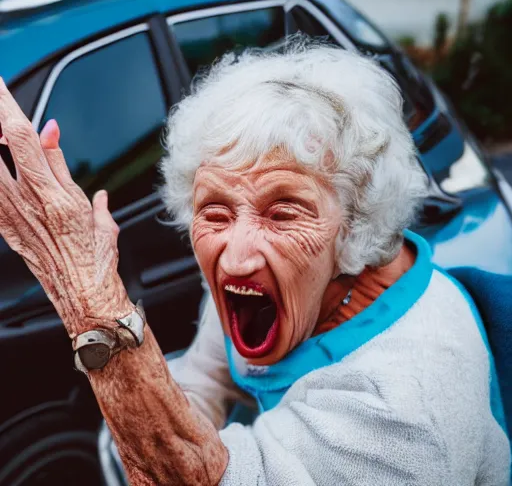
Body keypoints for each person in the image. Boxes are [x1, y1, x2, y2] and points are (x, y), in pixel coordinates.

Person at [0, 40, 509, 485]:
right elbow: (203, 377)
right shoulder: (259, 275)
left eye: (283, 213)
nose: (237, 258)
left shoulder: (405, 410)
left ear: (352, 225)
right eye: (215, 212)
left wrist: (91, 300)